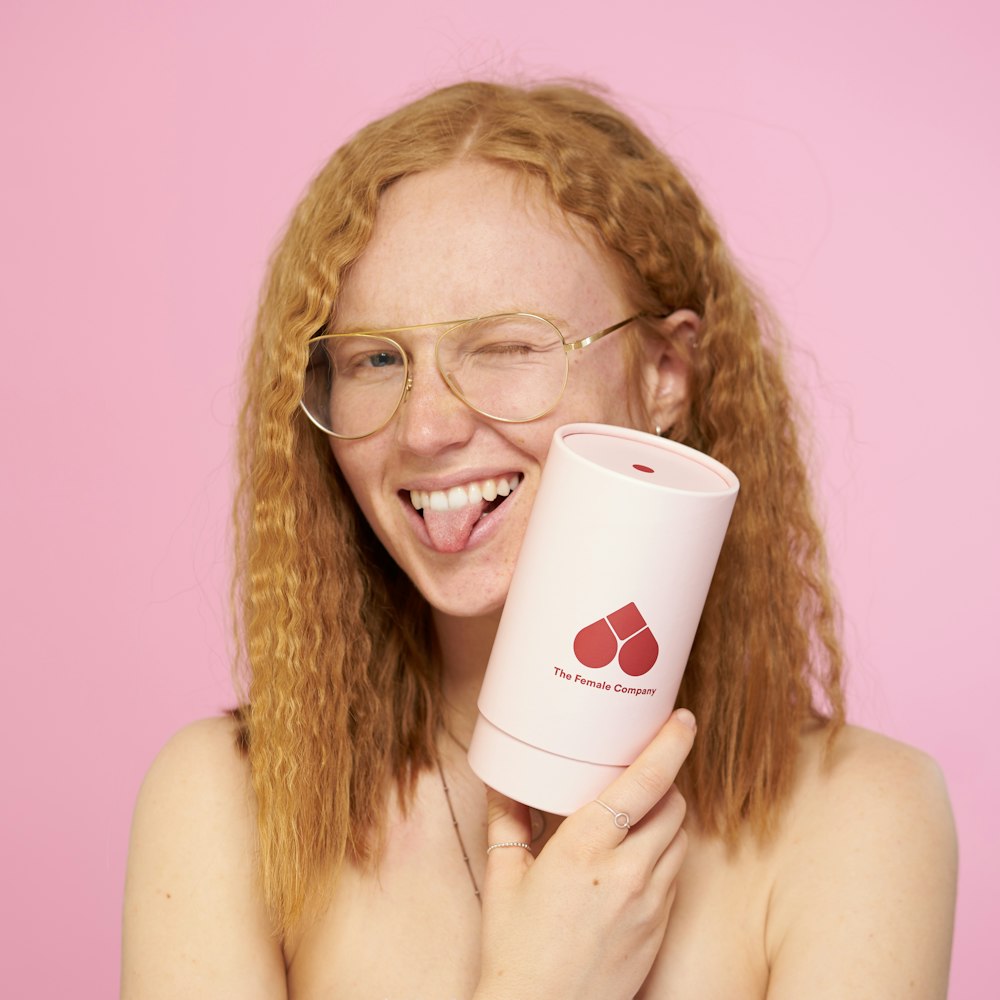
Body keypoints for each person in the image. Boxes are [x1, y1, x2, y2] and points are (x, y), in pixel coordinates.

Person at [121, 81, 957, 999]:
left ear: (665, 375)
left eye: (509, 346)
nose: (427, 427)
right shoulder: (228, 804)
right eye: (375, 358)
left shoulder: (862, 816)